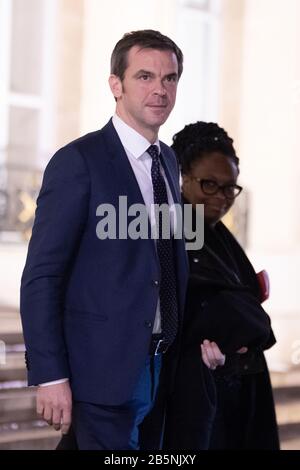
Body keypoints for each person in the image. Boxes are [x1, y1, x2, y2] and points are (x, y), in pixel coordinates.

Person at [20, 30, 189, 450]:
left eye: (169, 79)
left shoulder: (167, 160)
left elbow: (163, 259)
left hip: (159, 363)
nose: (159, 90)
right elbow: (42, 276)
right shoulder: (79, 162)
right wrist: (50, 374)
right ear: (116, 84)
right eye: (145, 76)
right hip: (101, 372)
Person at [161, 121, 280, 449]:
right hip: (195, 394)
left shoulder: (216, 234)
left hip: (236, 387)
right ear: (182, 177)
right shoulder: (173, 229)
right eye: (209, 185)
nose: (222, 198)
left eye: (230, 188)